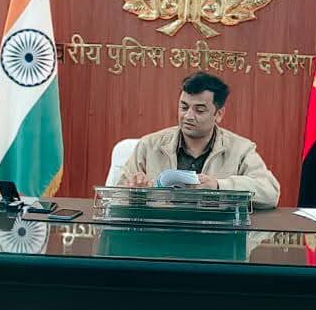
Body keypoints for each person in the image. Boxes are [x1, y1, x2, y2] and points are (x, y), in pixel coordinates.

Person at [118, 72, 281, 208]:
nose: (188, 116)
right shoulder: (149, 145)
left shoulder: (241, 149)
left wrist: (219, 186)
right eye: (184, 107)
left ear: (219, 114)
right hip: (160, 231)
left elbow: (270, 192)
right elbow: (116, 195)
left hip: (215, 233)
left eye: (199, 110)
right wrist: (135, 192)